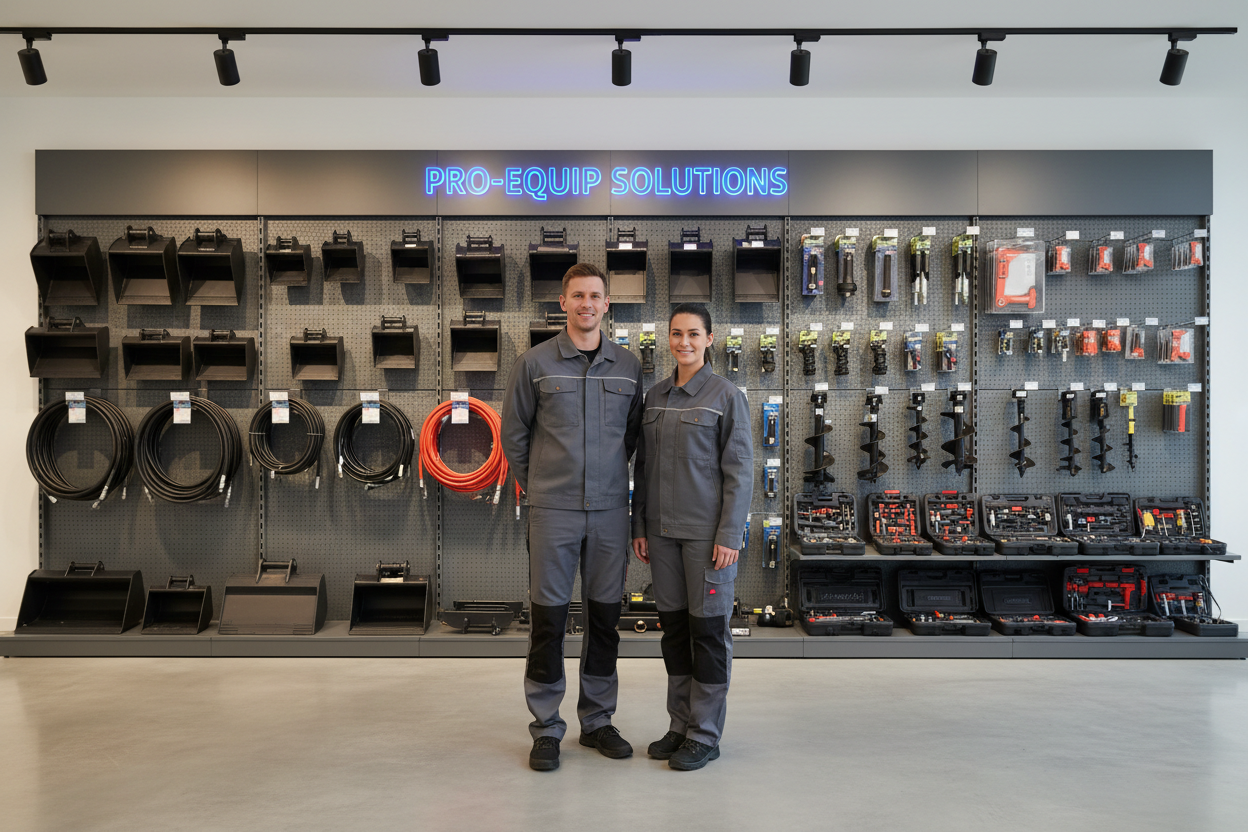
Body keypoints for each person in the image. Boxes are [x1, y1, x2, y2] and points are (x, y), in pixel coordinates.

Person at [501, 263, 644, 772]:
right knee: (549, 621)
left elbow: (632, 438)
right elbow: (513, 435)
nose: (587, 304)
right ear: (562, 302)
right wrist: (541, 484)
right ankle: (546, 728)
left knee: (605, 620)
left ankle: (598, 721)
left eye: (596, 296)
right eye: (578, 295)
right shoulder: (535, 364)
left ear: (608, 304)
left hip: (609, 513)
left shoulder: (628, 367)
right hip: (553, 512)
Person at [631, 303, 753, 771]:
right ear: (668, 338)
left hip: (707, 540)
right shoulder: (656, 396)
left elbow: (739, 472)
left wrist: (729, 534)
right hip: (661, 536)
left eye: (693, 334)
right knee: (675, 633)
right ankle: (679, 724)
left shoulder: (726, 396)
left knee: (708, 634)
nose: (684, 342)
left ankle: (704, 734)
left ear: (709, 338)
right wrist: (639, 525)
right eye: (677, 334)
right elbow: (641, 469)